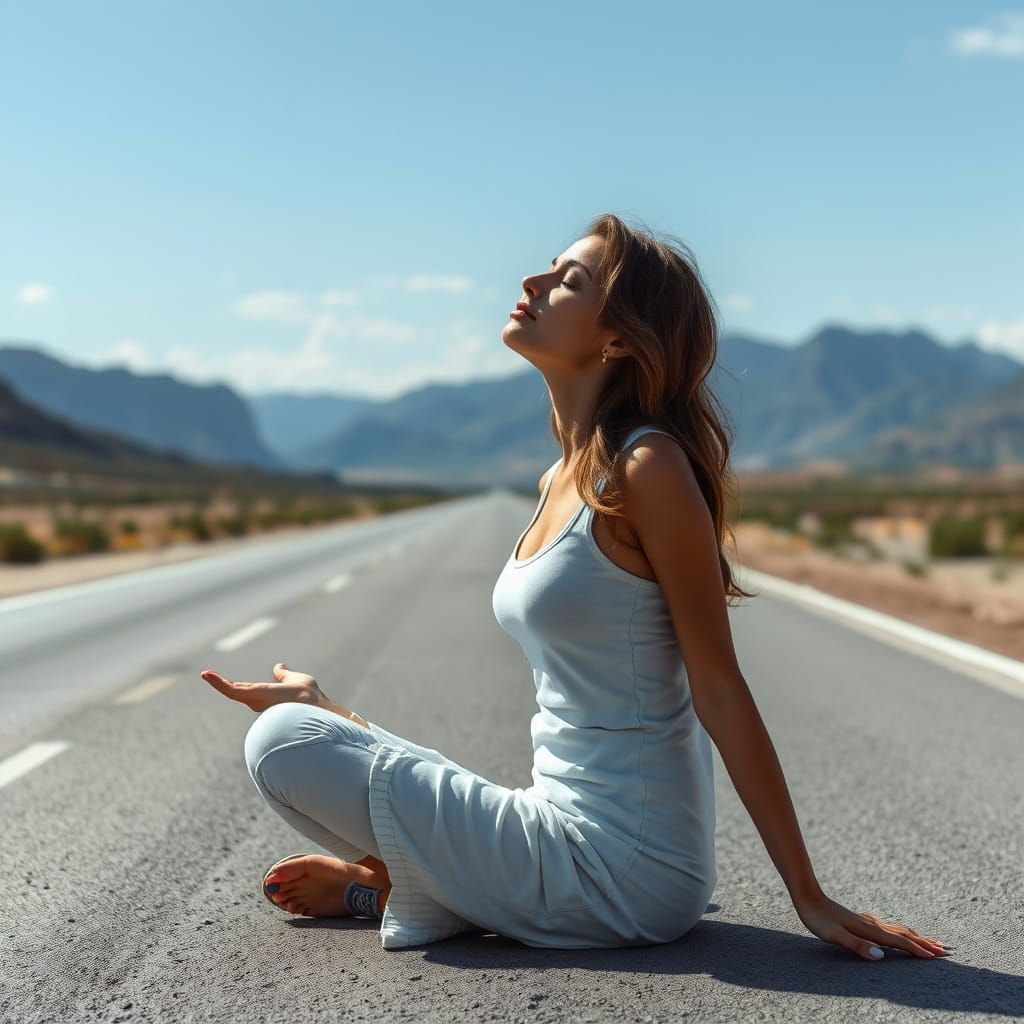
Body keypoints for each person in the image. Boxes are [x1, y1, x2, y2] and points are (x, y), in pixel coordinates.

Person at [201, 212, 950, 961]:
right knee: (306, 727)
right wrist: (330, 709)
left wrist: (808, 897)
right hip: (552, 818)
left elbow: (718, 689)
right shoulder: (559, 476)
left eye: (569, 281)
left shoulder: (646, 469)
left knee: (279, 744)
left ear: (620, 338)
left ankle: (399, 888)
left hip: (628, 865)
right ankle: (426, 884)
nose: (532, 283)